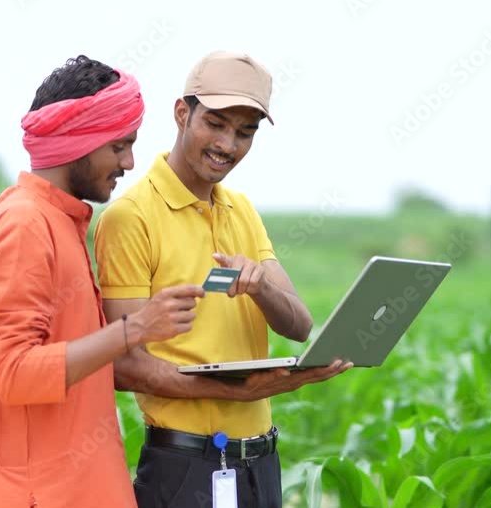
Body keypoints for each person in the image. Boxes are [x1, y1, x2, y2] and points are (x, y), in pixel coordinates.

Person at [94, 51, 354, 507]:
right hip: (186, 469)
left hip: (260, 465)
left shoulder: (242, 210)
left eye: (245, 132)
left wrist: (260, 287)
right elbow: (125, 365)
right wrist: (239, 390)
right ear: (181, 113)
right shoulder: (130, 217)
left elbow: (298, 325)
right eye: (215, 124)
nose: (228, 145)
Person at [0, 55, 205, 507]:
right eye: (118, 146)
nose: (130, 162)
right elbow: (14, 374)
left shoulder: (56, 220)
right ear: (76, 142)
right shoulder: (25, 226)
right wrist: (136, 328)